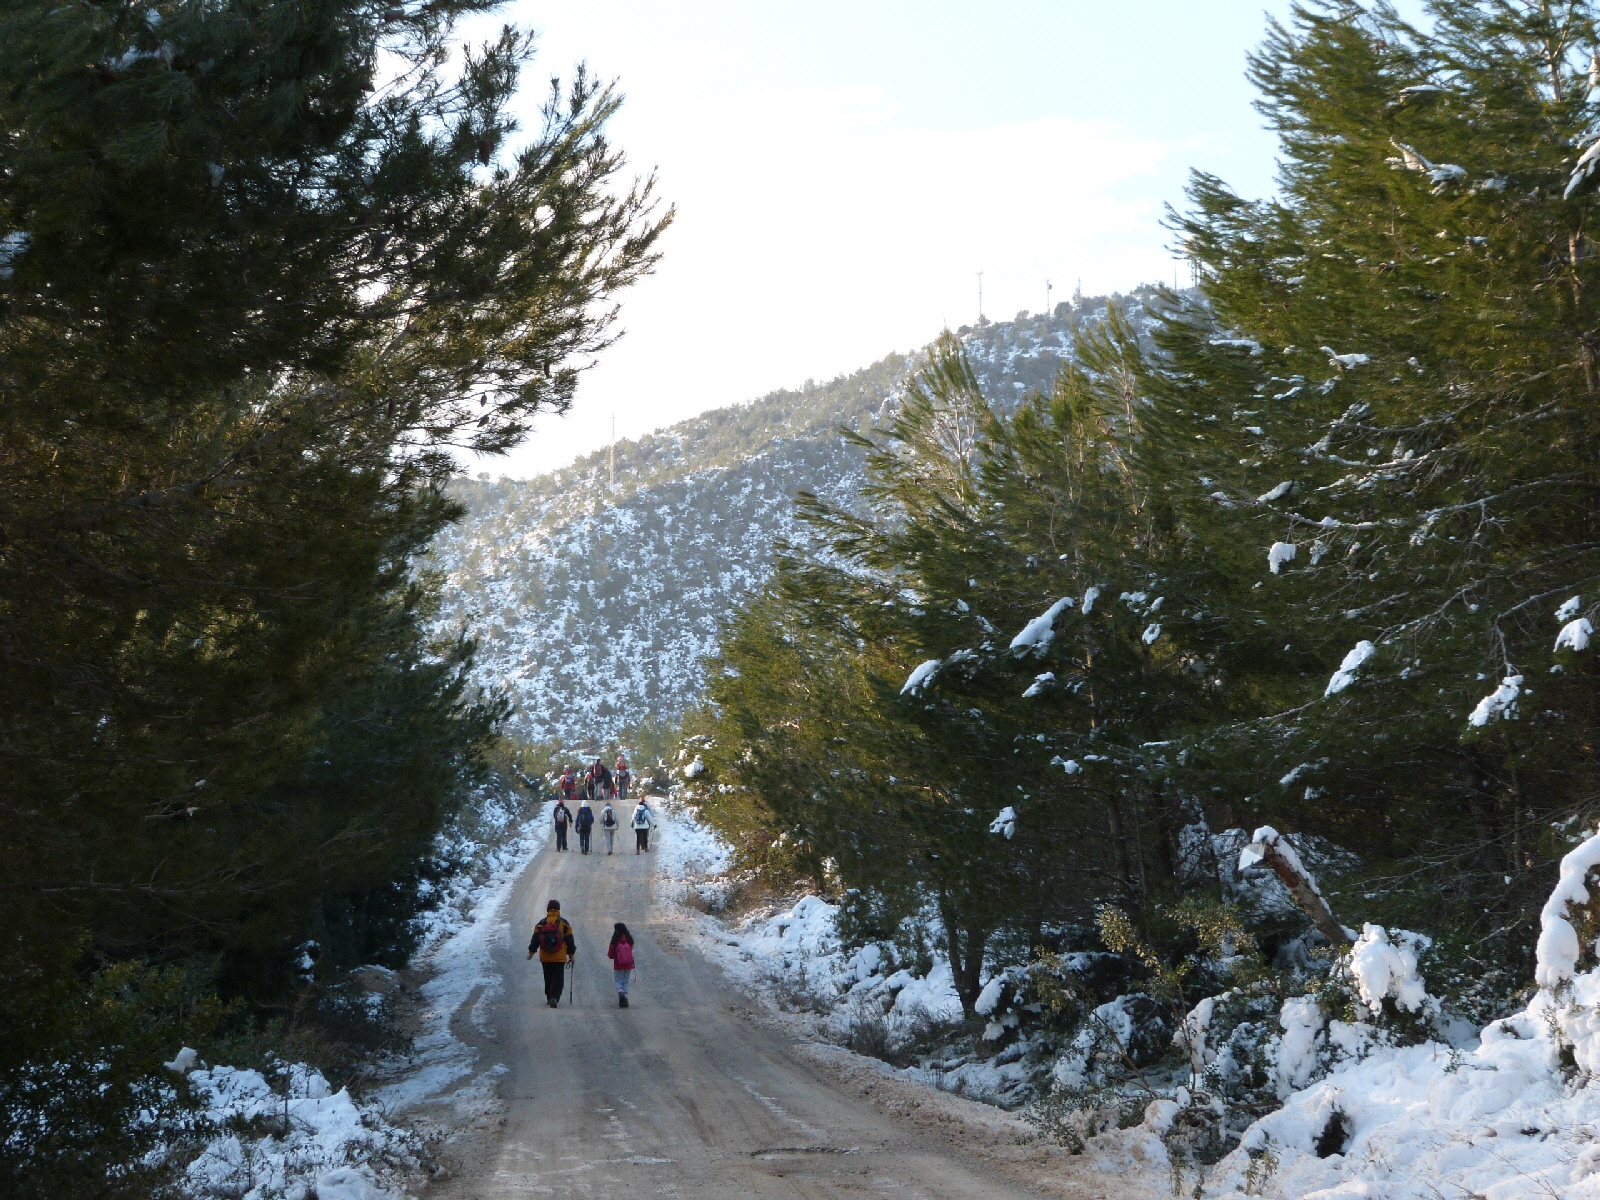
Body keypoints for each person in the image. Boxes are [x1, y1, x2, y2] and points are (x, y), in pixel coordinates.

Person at [527, 900, 576, 1008]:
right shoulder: (564, 923)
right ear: (558, 909)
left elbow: (535, 940)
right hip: (559, 957)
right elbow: (570, 941)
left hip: (545, 957)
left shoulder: (541, 923)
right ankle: (554, 997)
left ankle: (549, 997)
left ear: (548, 909)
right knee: (558, 978)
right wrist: (571, 956)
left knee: (548, 977)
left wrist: (531, 953)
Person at [607, 922, 635, 1008]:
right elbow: (630, 950)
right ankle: (625, 997)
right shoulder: (629, 939)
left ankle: (620, 991)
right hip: (628, 964)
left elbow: (610, 954)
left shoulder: (615, 940)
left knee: (618, 981)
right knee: (625, 981)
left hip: (618, 964)